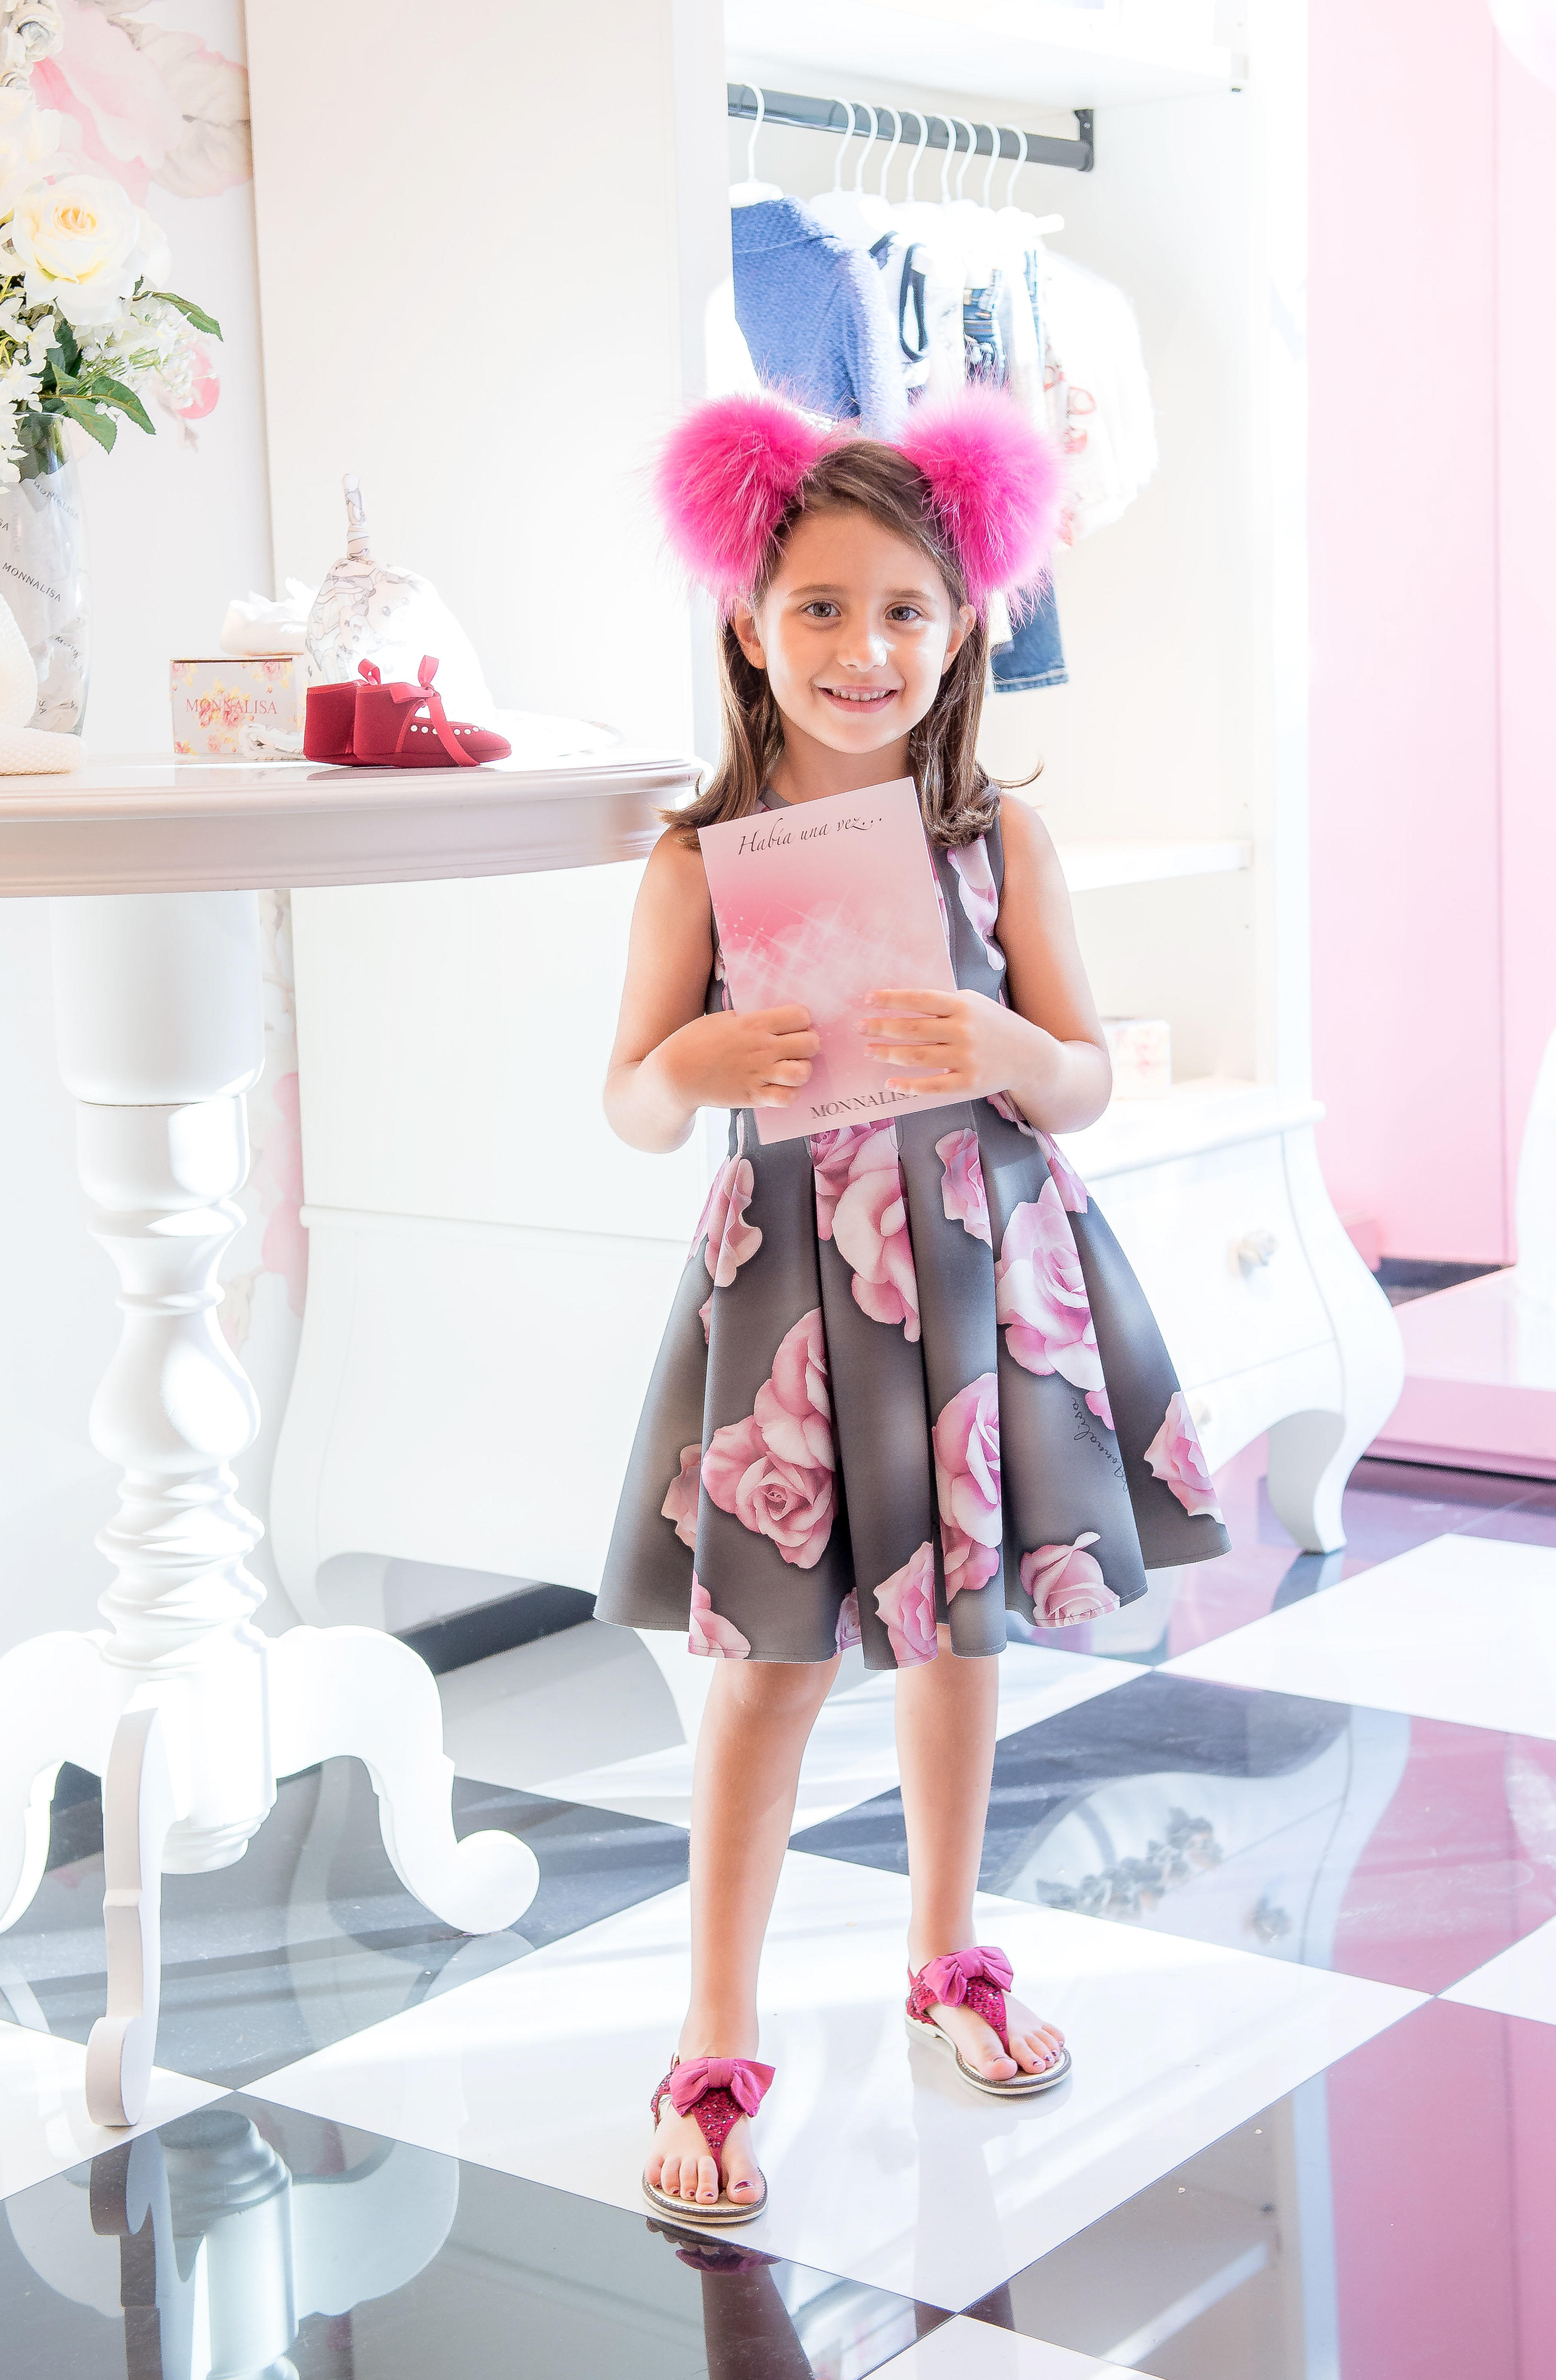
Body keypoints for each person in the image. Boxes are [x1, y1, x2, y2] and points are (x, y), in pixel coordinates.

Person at [597, 386, 1229, 2226]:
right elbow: (632, 1099)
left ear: (961, 635)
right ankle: (714, 2035)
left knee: (962, 1637)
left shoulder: (996, 841)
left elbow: (1085, 1076)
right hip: (793, 1292)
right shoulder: (697, 860)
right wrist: (693, 1059)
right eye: (820, 605)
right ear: (749, 623)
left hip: (978, 1264)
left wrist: (1013, 1047)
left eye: (903, 611)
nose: (861, 647)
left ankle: (950, 1957)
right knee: (771, 1665)